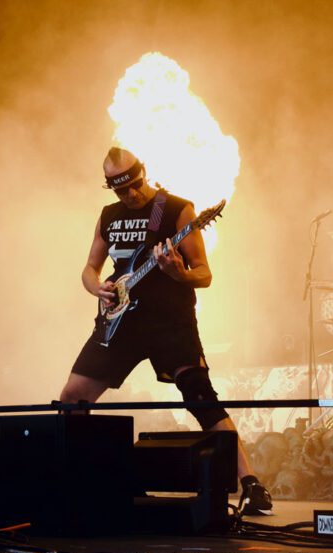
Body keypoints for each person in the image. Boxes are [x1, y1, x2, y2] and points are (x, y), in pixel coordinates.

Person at [59, 147, 273, 516]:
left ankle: (251, 483)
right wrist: (97, 288)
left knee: (199, 396)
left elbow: (204, 272)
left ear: (143, 172)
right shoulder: (109, 216)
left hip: (169, 322)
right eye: (120, 190)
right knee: (72, 397)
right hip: (121, 320)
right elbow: (89, 268)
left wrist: (178, 272)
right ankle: (80, 478)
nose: (130, 195)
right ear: (110, 187)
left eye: (135, 185)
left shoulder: (176, 210)